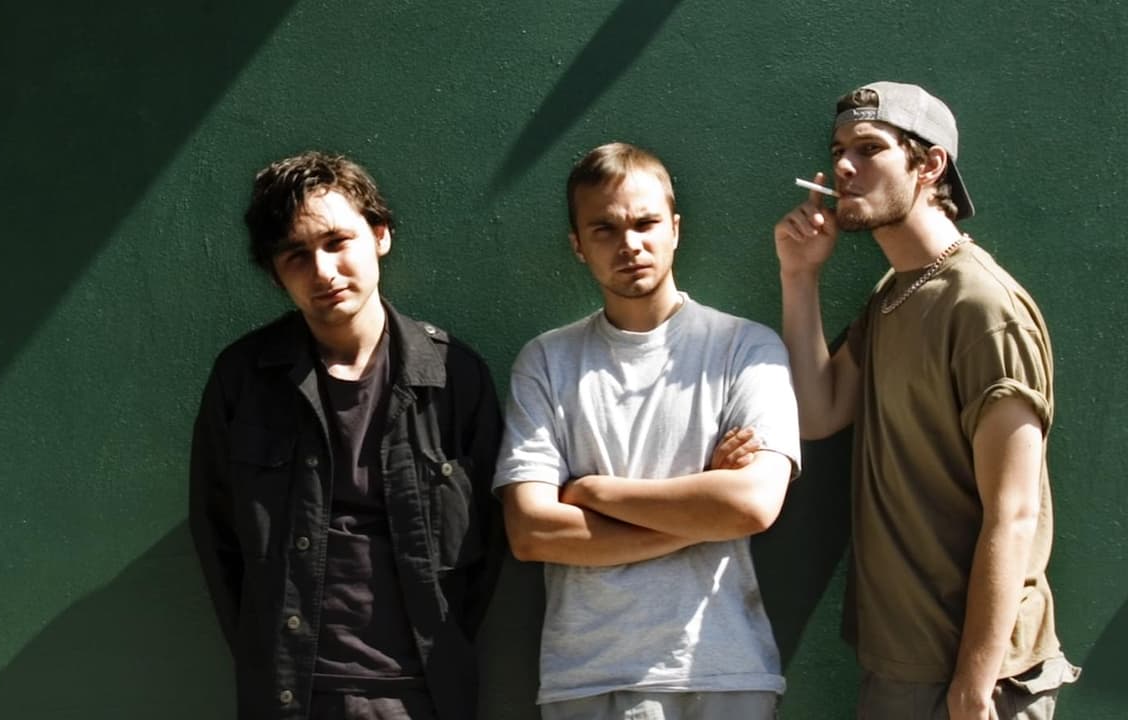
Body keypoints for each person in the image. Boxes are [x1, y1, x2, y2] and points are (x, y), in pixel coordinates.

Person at [774, 81, 1079, 719]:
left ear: (930, 164)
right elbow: (819, 412)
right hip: (900, 666)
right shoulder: (894, 294)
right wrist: (799, 276)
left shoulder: (985, 308)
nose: (844, 166)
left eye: (869, 149)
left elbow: (1015, 512)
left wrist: (973, 683)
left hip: (978, 680)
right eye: (838, 150)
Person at [190, 151, 503, 720]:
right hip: (294, 697)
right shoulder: (243, 380)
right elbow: (220, 540)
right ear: (275, 273)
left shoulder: (454, 376)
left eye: (337, 242)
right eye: (297, 255)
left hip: (424, 696)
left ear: (380, 235)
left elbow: (489, 544)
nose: (323, 271)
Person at [494, 141, 800, 720]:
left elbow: (752, 505)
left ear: (675, 229)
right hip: (590, 679)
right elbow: (532, 532)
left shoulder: (746, 348)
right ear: (578, 245)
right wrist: (703, 511)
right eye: (604, 229)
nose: (629, 244)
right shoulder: (547, 362)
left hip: (724, 670)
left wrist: (594, 492)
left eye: (645, 223)